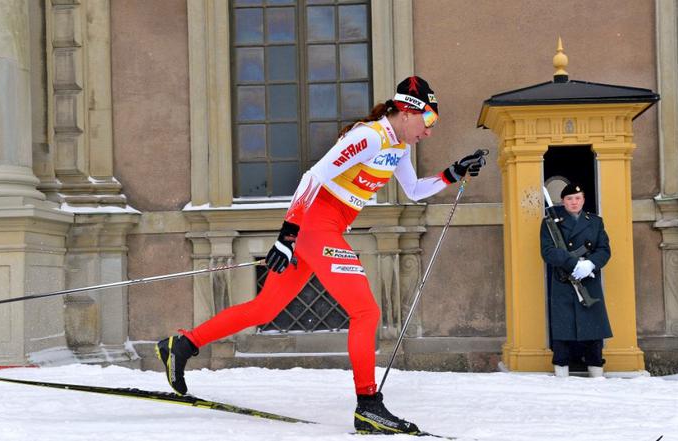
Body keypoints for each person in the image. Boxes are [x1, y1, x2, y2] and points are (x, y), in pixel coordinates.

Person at [156, 76, 486, 434]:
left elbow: (414, 191)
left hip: (322, 231)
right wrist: (288, 233)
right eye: (430, 120)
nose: (430, 131)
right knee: (366, 311)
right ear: (407, 111)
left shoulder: (399, 148)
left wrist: (452, 173)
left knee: (264, 308)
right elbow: (313, 177)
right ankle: (368, 406)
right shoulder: (369, 136)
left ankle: (182, 344)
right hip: (315, 228)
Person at [540, 183, 612, 378]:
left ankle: (596, 369)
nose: (574, 202)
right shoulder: (550, 222)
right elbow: (548, 252)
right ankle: (561, 369)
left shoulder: (595, 222)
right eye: (569, 199)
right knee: (563, 328)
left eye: (577, 198)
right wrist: (573, 264)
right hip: (564, 281)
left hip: (588, 280)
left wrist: (589, 265)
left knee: (592, 327)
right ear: (563, 201)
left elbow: (604, 250)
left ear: (583, 200)